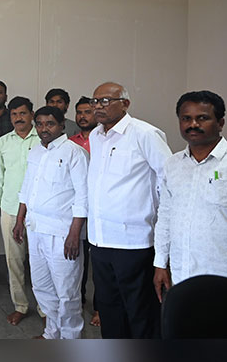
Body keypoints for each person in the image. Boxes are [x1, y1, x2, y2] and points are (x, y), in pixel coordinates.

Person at [87, 82, 172, 339]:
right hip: (100, 239)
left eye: (105, 101)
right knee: (109, 308)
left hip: (133, 241)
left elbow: (168, 180)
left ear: (125, 104)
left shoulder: (145, 134)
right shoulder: (95, 136)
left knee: (140, 311)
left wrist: (161, 225)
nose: (98, 106)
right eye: (94, 101)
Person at [13, 106, 89, 339]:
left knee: (67, 292)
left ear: (62, 125)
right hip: (35, 229)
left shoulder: (74, 153)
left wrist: (75, 234)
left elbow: (83, 196)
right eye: (40, 124)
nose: (44, 128)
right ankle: (51, 333)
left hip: (62, 234)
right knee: (42, 287)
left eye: (50, 124)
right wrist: (20, 219)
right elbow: (27, 188)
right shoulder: (36, 151)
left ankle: (70, 338)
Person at [154, 91, 227, 302]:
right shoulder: (173, 164)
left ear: (220, 122)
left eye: (202, 118)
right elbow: (165, 216)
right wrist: (160, 263)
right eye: (186, 118)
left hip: (220, 274)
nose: (193, 124)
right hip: (181, 273)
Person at [0, 96, 43, 326]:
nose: (18, 118)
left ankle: (45, 309)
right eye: (14, 114)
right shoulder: (3, 142)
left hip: (40, 210)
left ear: (32, 115)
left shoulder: (44, 140)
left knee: (41, 263)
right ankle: (20, 305)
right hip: (10, 208)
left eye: (22, 113)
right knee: (14, 261)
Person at [68, 95, 101, 327]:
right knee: (77, 260)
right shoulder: (70, 143)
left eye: (87, 112)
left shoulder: (105, 140)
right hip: (76, 209)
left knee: (98, 264)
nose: (82, 116)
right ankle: (77, 301)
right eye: (79, 112)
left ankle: (100, 307)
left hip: (99, 209)